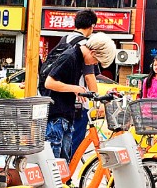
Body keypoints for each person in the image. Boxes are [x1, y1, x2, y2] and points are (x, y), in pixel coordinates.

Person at [44, 32, 117, 162]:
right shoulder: (70, 57)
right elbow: (49, 83)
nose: (94, 64)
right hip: (57, 116)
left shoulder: (78, 58)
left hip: (66, 115)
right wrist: (75, 88)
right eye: (96, 61)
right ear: (93, 52)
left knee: (63, 163)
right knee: (53, 164)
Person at [68, 9, 100, 157]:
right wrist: (97, 100)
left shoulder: (64, 39)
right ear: (92, 26)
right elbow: (89, 76)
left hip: (60, 98)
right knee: (75, 144)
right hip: (78, 102)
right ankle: (65, 176)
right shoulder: (85, 46)